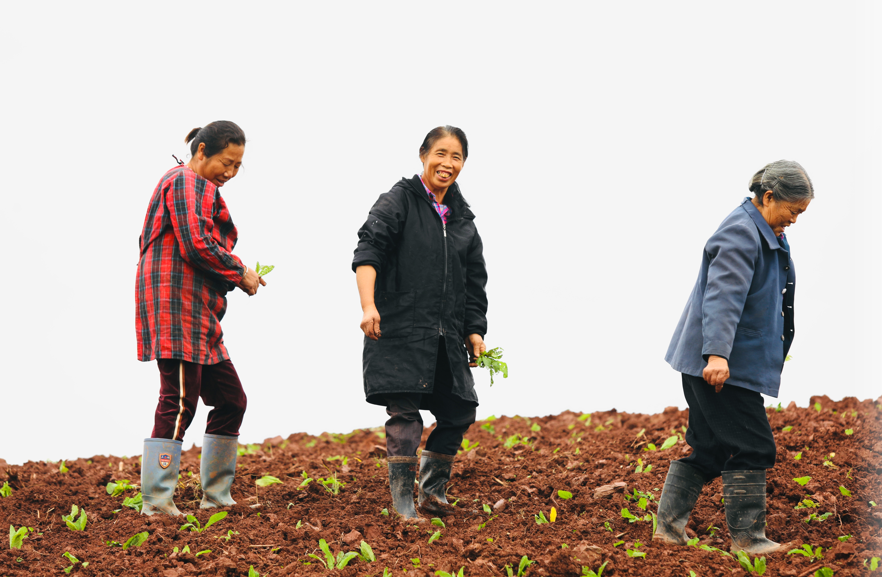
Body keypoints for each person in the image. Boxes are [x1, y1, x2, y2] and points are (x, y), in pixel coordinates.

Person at [656, 160, 813, 553]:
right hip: (720, 366)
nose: (795, 220)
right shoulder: (742, 232)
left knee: (709, 450)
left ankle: (667, 532)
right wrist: (716, 355)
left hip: (722, 364)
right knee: (754, 446)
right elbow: (722, 298)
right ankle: (748, 540)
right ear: (769, 196)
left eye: (800, 213)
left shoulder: (766, 231)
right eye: (792, 210)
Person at [352, 126, 489, 520]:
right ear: (423, 155)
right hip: (400, 329)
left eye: (456, 156)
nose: (447, 163)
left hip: (445, 336)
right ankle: (403, 504)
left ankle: (432, 494)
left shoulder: (463, 220)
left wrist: (474, 331)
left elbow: (473, 283)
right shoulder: (398, 201)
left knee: (459, 411)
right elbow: (368, 251)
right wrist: (368, 306)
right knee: (405, 414)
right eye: (440, 153)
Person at [135, 121, 266, 516]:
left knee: (231, 400)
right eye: (226, 162)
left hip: (198, 314)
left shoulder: (196, 185)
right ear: (202, 150)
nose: (231, 172)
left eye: (238, 166)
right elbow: (197, 243)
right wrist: (240, 272)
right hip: (175, 307)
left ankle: (216, 496)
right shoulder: (185, 181)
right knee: (178, 401)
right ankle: (157, 502)